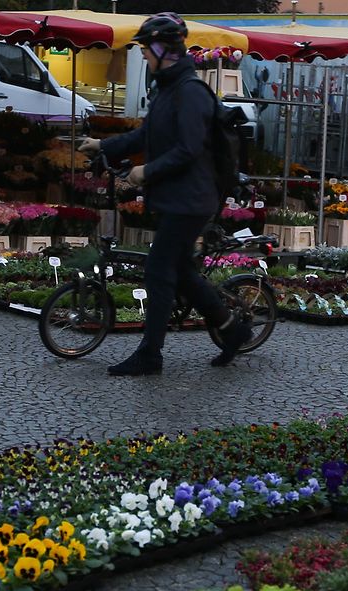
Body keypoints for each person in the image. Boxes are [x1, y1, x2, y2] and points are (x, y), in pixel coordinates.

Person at [78, 12, 251, 377]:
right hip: (178, 197)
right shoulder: (167, 89)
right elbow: (145, 136)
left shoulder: (190, 93)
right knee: (181, 272)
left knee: (159, 270)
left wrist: (146, 171)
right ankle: (232, 329)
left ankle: (150, 355)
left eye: (146, 47)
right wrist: (103, 145)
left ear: (164, 49)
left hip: (192, 200)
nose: (142, 53)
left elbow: (188, 149)